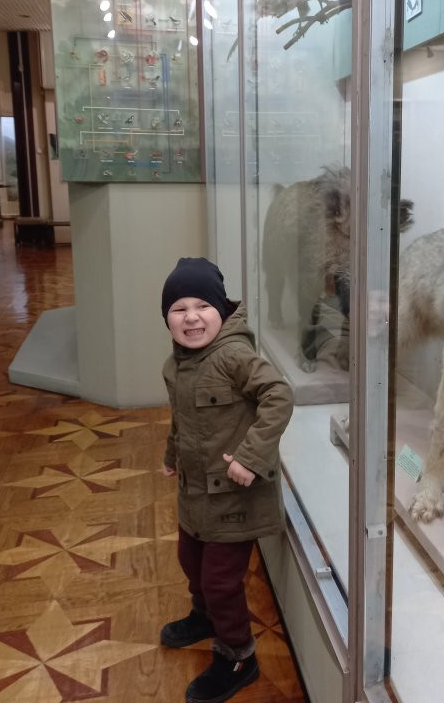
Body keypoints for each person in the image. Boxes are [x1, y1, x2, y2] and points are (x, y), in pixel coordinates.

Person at [159, 257, 294, 703]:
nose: (192, 317)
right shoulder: (174, 366)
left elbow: (279, 395)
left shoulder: (235, 356)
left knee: (220, 581)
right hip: (195, 495)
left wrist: (252, 457)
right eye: (179, 309)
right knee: (189, 561)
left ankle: (239, 655)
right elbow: (181, 420)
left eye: (202, 306)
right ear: (167, 318)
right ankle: (204, 617)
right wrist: (171, 455)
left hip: (235, 497)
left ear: (223, 310)